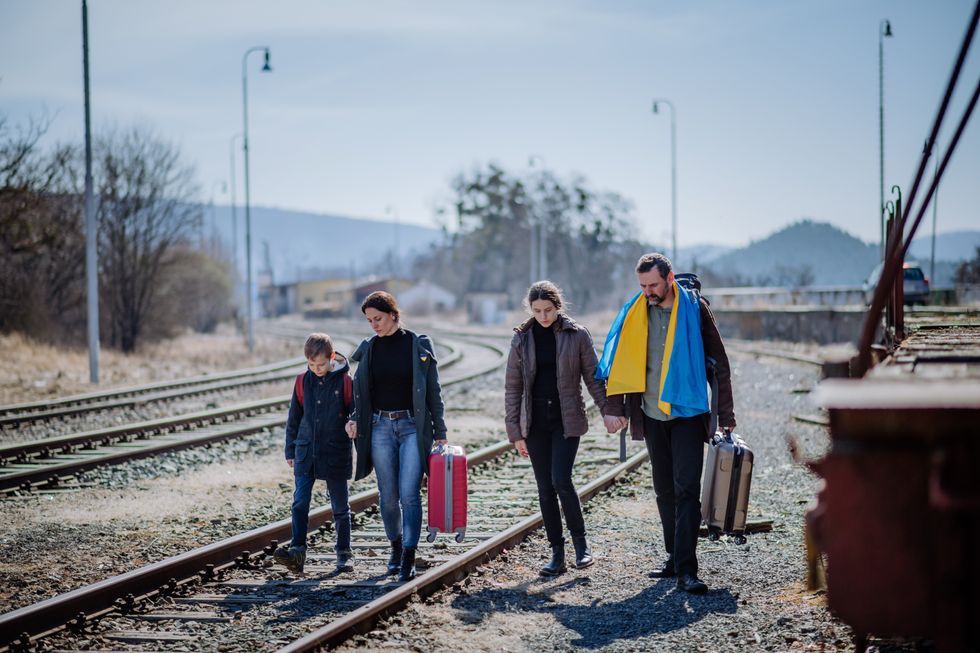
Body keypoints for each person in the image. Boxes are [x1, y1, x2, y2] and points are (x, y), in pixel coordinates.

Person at [603, 253, 736, 594]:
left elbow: (720, 365)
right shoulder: (636, 313)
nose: (648, 291)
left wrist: (727, 416)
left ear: (670, 278)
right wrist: (614, 407)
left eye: (653, 285)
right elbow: (622, 362)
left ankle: (687, 569)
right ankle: (673, 558)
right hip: (651, 413)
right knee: (664, 490)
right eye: (643, 285)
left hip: (688, 413)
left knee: (686, 490)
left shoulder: (695, 310)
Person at [504, 280, 621, 576]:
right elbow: (512, 388)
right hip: (535, 425)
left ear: (558, 307)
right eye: (537, 310)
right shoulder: (521, 339)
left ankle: (581, 545)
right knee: (544, 489)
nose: (543, 316)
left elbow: (594, 379)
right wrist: (515, 432)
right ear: (530, 309)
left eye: (548, 310)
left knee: (561, 480)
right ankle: (557, 553)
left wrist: (608, 410)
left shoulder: (577, 335)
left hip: (566, 421)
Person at [345, 291, 448, 582]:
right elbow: (360, 394)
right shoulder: (369, 349)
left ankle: (408, 557)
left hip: (412, 427)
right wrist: (353, 418)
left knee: (409, 494)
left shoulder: (417, 345)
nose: (374, 324)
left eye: (378, 318)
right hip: (379, 427)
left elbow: (433, 392)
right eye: (369, 320)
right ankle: (395, 546)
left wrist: (440, 431)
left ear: (393, 313)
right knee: (388, 497)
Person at [274, 332, 355, 575]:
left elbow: (355, 410)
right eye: (311, 364)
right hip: (306, 451)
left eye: (321, 364)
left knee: (340, 506)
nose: (316, 369)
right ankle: (297, 550)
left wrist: (353, 421)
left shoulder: (346, 382)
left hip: (335, 451)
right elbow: (294, 418)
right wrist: (290, 449)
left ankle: (344, 552)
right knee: (300, 502)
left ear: (332, 357)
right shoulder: (301, 382)